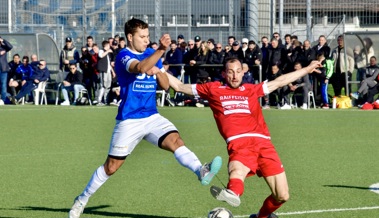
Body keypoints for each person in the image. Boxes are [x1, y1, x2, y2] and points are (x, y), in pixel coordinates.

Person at [68, 18, 222, 218]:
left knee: (176, 140)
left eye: (148, 36)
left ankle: (200, 170)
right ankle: (82, 199)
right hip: (129, 120)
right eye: (142, 37)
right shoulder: (124, 55)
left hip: (151, 116)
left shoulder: (152, 54)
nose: (146, 40)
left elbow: (166, 86)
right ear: (130, 37)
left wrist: (159, 72)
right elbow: (139, 68)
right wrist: (160, 50)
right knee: (111, 167)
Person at [167, 57, 321, 218]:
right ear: (224, 74)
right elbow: (179, 86)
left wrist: (306, 69)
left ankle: (260, 216)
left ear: (243, 72)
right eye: (230, 72)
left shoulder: (251, 89)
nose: (235, 76)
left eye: (238, 72)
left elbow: (280, 81)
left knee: (282, 195)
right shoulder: (213, 89)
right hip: (239, 142)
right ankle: (232, 192)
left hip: (264, 143)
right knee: (237, 171)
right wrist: (159, 70)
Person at [96, 40, 115, 106]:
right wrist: (107, 51)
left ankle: (106, 100)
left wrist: (112, 72)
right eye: (108, 46)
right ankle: (99, 100)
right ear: (105, 46)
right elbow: (100, 56)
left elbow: (109, 64)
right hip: (104, 71)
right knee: (103, 85)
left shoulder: (108, 54)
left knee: (108, 86)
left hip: (108, 71)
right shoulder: (101, 51)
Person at [0, 36, 13, 102]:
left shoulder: (4, 48)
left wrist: (3, 40)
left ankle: (3, 99)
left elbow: (10, 46)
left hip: (3, 69)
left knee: (3, 84)